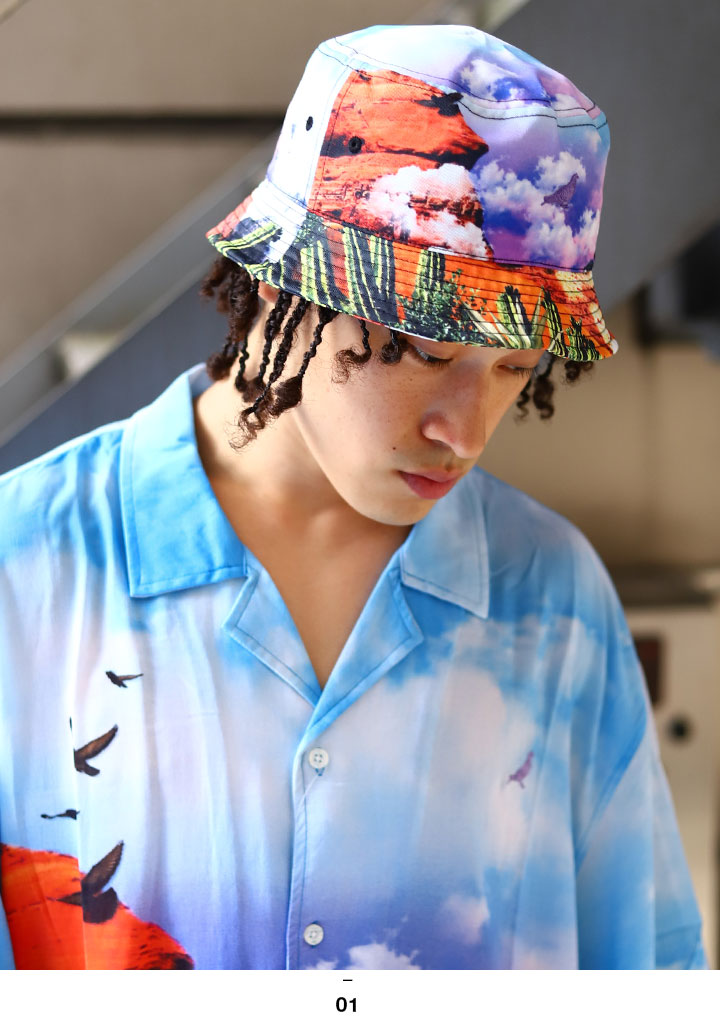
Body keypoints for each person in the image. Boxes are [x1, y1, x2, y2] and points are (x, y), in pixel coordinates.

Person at [0, 24, 707, 970]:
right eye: (428, 351)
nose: (466, 432)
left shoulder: (551, 599)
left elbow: (645, 966)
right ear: (285, 283)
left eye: (514, 369)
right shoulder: (22, 570)